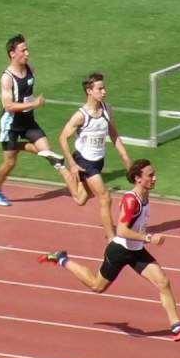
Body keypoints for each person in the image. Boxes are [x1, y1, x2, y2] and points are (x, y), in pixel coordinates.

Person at [38, 159, 180, 342]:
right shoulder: (132, 199)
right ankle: (62, 259)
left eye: (154, 174)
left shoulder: (143, 195)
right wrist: (149, 237)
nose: (154, 178)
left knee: (163, 282)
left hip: (136, 251)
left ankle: (177, 328)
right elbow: (122, 230)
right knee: (96, 286)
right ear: (138, 178)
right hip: (119, 251)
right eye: (150, 175)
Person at [0, 34, 74, 206]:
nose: (27, 53)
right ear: (12, 53)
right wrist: (34, 103)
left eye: (27, 49)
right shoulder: (7, 78)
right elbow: (7, 105)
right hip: (11, 125)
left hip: (28, 121)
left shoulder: (30, 69)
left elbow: (26, 93)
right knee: (10, 163)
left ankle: (72, 182)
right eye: (23, 50)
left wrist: (31, 103)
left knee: (47, 151)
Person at [57, 72, 133, 240]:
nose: (104, 91)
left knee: (81, 199)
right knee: (105, 197)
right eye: (100, 88)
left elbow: (113, 134)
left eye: (104, 88)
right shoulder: (81, 116)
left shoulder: (107, 109)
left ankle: (60, 168)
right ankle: (112, 238)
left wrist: (126, 158)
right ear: (89, 91)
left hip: (98, 161)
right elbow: (62, 138)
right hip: (84, 161)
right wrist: (73, 164)